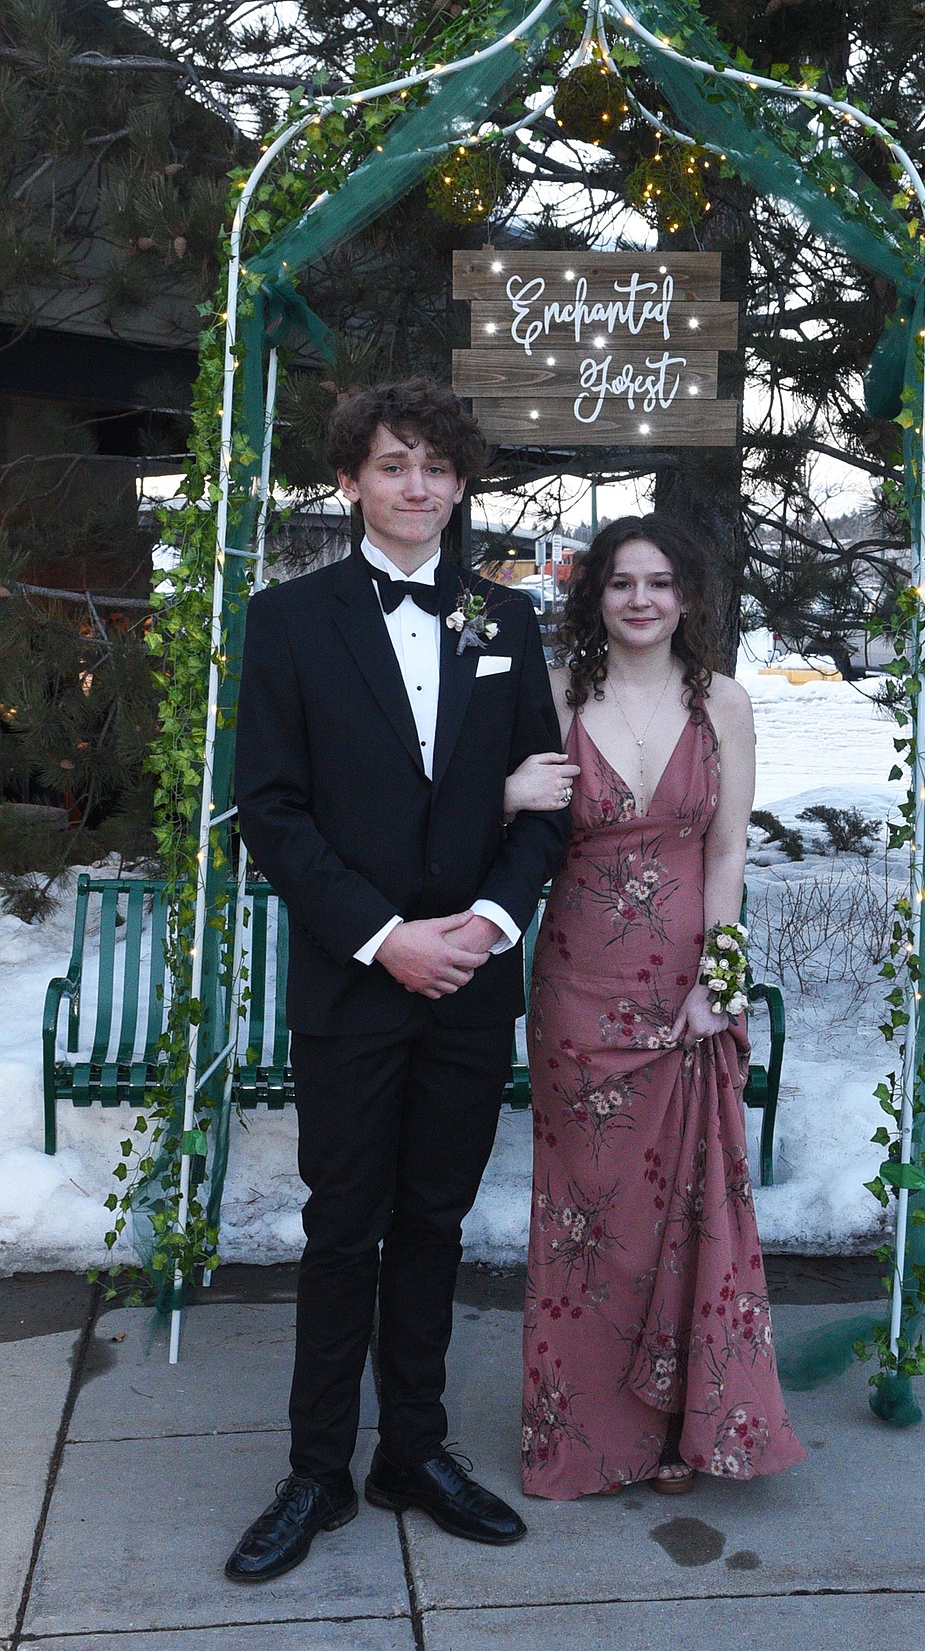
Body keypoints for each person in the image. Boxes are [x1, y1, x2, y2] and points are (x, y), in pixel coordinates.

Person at [227, 378, 573, 1580]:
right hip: (354, 981)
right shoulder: (288, 621)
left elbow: (544, 805)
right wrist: (387, 937)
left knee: (435, 1221)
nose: (415, 484)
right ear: (350, 482)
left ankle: (411, 1453)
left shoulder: (506, 622)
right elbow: (270, 812)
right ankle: (318, 1471)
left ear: (463, 481)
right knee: (342, 1229)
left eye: (434, 464)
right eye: (391, 464)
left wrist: (482, 922)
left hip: (471, 980)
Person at [503, 515, 806, 1498]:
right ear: (596, 598)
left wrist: (721, 980)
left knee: (686, 1211)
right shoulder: (552, 697)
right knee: (592, 1221)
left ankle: (682, 1426)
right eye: (622, 582)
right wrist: (507, 795)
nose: (640, 599)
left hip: (687, 995)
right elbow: (485, 828)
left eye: (659, 582)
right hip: (578, 996)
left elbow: (726, 853)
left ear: (687, 598)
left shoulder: (723, 702)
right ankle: (594, 1435)